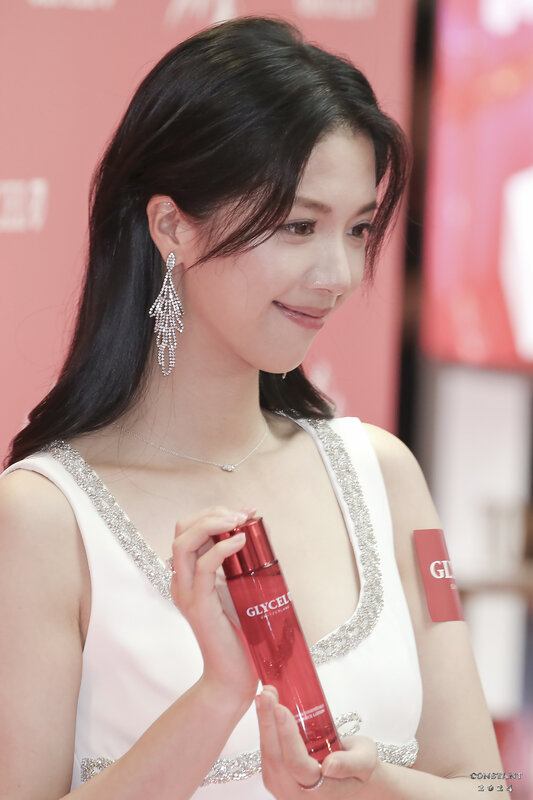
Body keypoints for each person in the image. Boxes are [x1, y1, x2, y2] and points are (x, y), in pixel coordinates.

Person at [0, 16, 503, 800]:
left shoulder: (383, 475)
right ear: (171, 225)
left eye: (358, 229)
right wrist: (216, 697)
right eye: (299, 226)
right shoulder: (42, 519)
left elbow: (485, 784)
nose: (338, 273)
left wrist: (371, 785)